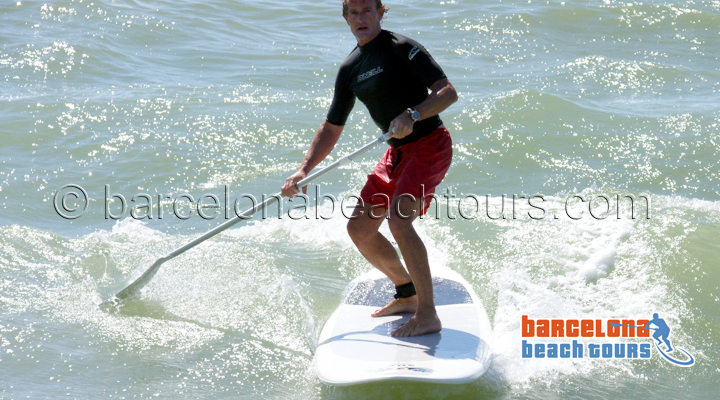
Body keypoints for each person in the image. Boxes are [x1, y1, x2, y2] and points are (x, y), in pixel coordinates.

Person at [281, 0, 457, 337]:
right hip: (396, 154)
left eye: (367, 11)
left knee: (399, 221)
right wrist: (303, 171)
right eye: (354, 12)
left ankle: (428, 314)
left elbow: (447, 93)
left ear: (380, 12)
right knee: (360, 229)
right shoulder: (350, 68)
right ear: (345, 18)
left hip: (430, 145)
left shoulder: (402, 48)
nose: (361, 18)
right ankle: (407, 293)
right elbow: (331, 128)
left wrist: (414, 114)